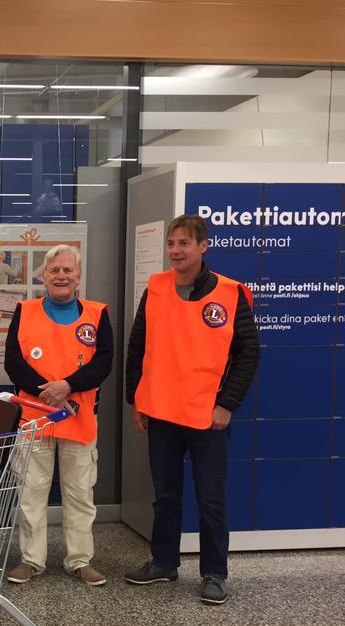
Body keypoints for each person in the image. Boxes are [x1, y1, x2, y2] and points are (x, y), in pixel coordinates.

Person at [124, 214, 260, 605]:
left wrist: (227, 403)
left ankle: (214, 573)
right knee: (165, 495)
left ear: (203, 246)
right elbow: (138, 346)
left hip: (206, 417)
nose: (176, 251)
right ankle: (164, 562)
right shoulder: (156, 288)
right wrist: (137, 399)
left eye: (184, 243)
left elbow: (248, 353)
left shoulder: (230, 293)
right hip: (161, 412)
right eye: (171, 243)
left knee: (211, 498)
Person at [3, 244, 113, 587]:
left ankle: (80, 560)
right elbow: (13, 362)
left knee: (80, 493)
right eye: (54, 270)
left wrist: (68, 386)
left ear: (78, 276)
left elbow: (104, 361)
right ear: (44, 277)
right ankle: (31, 560)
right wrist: (46, 393)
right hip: (34, 419)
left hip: (79, 420)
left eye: (67, 270)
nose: (61, 275)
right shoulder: (24, 311)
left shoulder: (97, 314)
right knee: (31, 493)